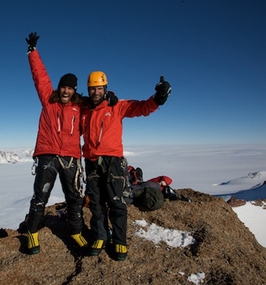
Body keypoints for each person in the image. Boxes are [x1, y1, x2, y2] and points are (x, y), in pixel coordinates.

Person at [81, 71, 171, 260]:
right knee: (96, 203)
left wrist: (158, 98)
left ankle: (120, 240)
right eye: (92, 89)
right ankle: (100, 236)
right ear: (88, 90)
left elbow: (140, 108)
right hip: (91, 163)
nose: (96, 92)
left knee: (116, 202)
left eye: (99, 88)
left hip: (113, 163)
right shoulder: (85, 109)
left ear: (105, 89)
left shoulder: (117, 106)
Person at [24, 32, 89, 255]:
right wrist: (33, 51)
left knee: (74, 197)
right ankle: (32, 233)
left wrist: (110, 96)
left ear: (74, 91)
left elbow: (100, 101)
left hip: (71, 158)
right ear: (59, 87)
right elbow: (40, 76)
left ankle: (76, 232)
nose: (66, 90)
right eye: (64, 87)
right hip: (48, 155)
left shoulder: (80, 106)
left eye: (70, 88)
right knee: (40, 196)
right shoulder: (48, 100)